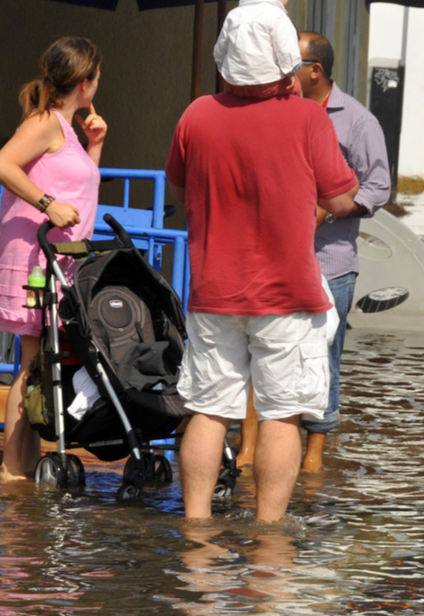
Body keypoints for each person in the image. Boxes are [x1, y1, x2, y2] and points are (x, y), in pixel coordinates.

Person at [166, 76, 359, 523]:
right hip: (286, 291)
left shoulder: (197, 113)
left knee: (209, 410)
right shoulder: (307, 115)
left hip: (214, 288)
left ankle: (196, 529)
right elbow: (341, 196)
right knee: (282, 414)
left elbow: (180, 188)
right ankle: (268, 539)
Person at [233, 32, 392, 472]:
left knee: (324, 357)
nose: (282, 72)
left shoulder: (358, 122)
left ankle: (314, 457)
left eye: (291, 64)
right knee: (257, 350)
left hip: (330, 261)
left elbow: (379, 186)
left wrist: (331, 211)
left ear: (315, 71)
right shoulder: (276, 114)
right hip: (271, 258)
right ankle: (247, 450)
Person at [0, 37, 107, 481]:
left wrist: (95, 144)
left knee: (40, 366)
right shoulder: (45, 121)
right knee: (33, 367)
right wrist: (47, 203)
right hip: (37, 260)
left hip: (60, 260)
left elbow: (82, 187)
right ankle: (10, 470)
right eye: (97, 76)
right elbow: (2, 165)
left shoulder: (68, 126)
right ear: (84, 81)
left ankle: (25, 467)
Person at [213, 0, 303, 99]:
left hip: (234, 86)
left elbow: (219, 51)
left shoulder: (234, 14)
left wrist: (226, 69)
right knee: (297, 88)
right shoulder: (277, 15)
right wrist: (291, 73)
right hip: (268, 85)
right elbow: (287, 51)